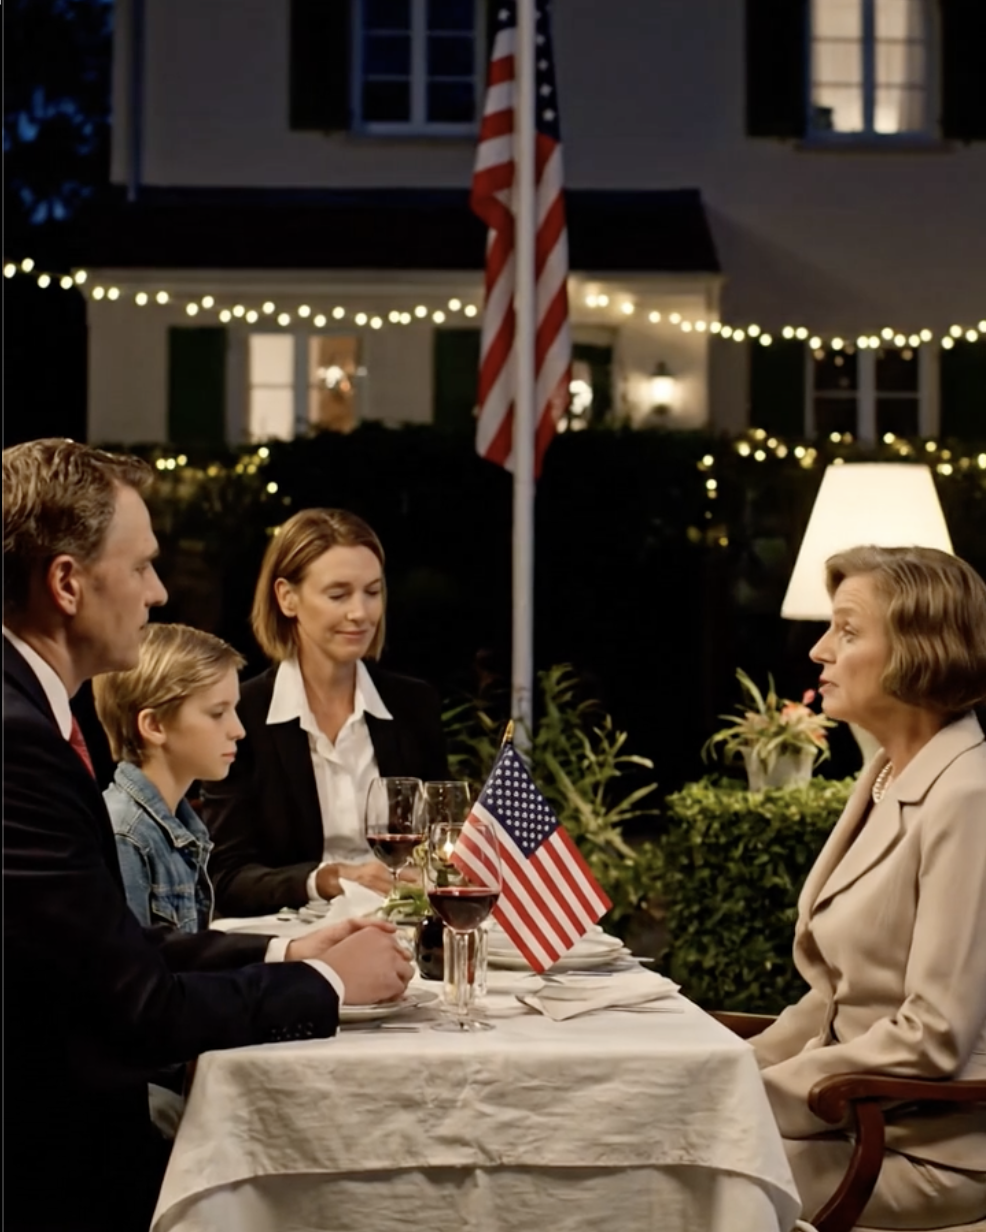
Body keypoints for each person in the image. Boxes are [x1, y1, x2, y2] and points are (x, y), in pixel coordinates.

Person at [2, 440, 413, 1232]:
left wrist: (290, 954)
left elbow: (111, 947)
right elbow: (137, 1010)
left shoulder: (36, 717)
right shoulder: (19, 741)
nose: (159, 592)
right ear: (66, 583)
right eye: (142, 566)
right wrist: (332, 987)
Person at [751, 545, 986, 1228]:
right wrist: (717, 1069)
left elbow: (934, 1035)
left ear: (922, 650)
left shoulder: (968, 795)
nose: (820, 650)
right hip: (851, 1124)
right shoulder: (886, 773)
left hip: (929, 1151)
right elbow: (831, 1001)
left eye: (848, 631)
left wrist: (754, 1096)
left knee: (678, 1181)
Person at [201, 507, 450, 917]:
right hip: (288, 948)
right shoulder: (241, 713)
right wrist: (328, 879)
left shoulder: (412, 706)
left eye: (372, 592)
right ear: (287, 597)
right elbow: (224, 879)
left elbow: (442, 841)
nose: (361, 613)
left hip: (399, 931)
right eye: (338, 595)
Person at [95, 622, 247, 932]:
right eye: (218, 713)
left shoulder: (181, 823)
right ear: (154, 726)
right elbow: (130, 972)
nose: (238, 730)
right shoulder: (125, 835)